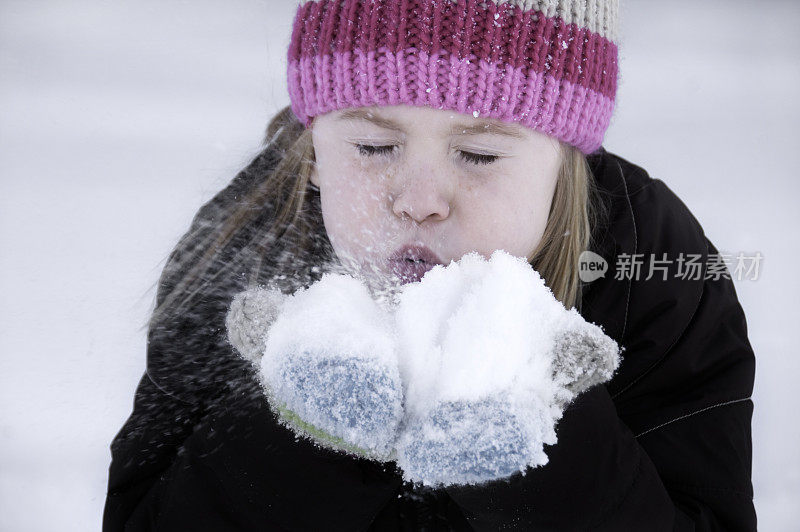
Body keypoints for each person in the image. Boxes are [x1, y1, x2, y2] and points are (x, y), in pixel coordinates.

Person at [103, 0, 756, 530]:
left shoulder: (648, 268)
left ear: (564, 161)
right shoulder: (250, 245)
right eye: (373, 146)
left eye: (477, 155)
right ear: (314, 144)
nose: (418, 203)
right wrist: (299, 433)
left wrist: (534, 443)